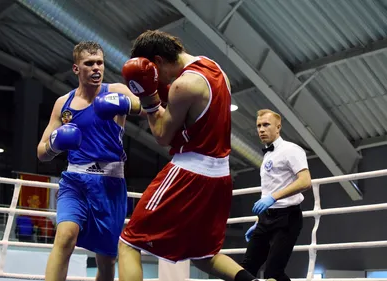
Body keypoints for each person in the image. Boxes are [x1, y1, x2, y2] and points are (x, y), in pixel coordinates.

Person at [94, 30, 269, 281]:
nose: (155, 79)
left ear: (159, 60)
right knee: (205, 256)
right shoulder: (214, 68)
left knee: (129, 243)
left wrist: (149, 98)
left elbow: (162, 135)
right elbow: (190, 115)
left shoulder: (184, 85)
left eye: (153, 71)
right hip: (220, 176)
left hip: (189, 173)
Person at [37, 41, 143, 281]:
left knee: (107, 261)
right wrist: (54, 144)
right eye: (89, 64)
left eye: (100, 63)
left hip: (110, 184)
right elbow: (41, 152)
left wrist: (128, 104)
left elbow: (152, 108)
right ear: (77, 69)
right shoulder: (63, 104)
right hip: (74, 181)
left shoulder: (115, 90)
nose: (96, 68)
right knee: (65, 237)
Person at [240, 109, 312, 281]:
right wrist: (258, 221)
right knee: (246, 269)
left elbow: (305, 181)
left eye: (266, 125)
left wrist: (274, 197)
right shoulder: (268, 155)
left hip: (287, 218)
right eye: (258, 126)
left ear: (278, 127)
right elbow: (268, 191)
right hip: (265, 219)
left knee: (274, 273)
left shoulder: (291, 150)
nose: (261, 129)